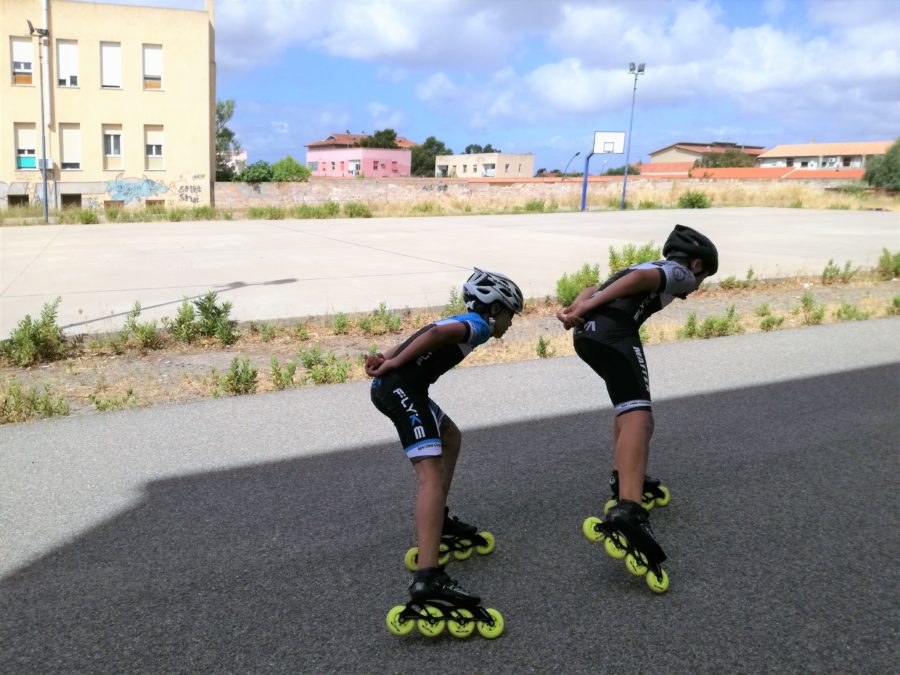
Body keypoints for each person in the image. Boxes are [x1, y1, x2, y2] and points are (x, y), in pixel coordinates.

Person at [557, 224, 718, 566]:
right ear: (697, 264)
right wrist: (589, 306)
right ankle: (628, 509)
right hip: (614, 333)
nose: (697, 287)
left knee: (629, 410)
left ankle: (624, 477)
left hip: (589, 336)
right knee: (639, 417)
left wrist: (577, 308)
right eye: (703, 278)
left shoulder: (646, 264)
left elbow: (593, 286)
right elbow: (635, 284)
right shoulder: (679, 273)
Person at [367, 268, 524, 607]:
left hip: (406, 387)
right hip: (401, 389)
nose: (511, 323)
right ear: (495, 309)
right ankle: (428, 579)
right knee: (430, 475)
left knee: (450, 437)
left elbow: (427, 331)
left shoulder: (468, 319)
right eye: (511, 314)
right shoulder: (479, 326)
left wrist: (388, 356)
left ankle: (440, 521)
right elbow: (435, 335)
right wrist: (393, 364)